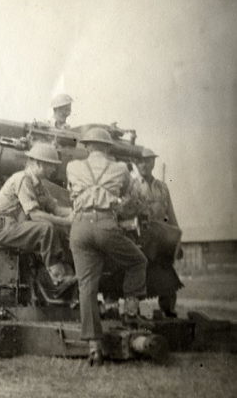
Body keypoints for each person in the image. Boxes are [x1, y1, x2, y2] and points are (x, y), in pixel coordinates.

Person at [66, 127, 147, 366]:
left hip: (79, 227)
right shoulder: (121, 169)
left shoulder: (72, 166)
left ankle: (94, 347)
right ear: (109, 148)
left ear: (88, 146)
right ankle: (130, 314)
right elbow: (134, 199)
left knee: (86, 287)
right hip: (105, 224)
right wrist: (118, 207)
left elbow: (72, 195)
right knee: (137, 261)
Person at [0, 143, 74, 284]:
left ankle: (62, 269)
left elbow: (56, 209)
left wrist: (76, 213)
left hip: (14, 226)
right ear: (39, 164)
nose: (53, 169)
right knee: (46, 228)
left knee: (56, 229)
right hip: (1, 228)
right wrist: (67, 221)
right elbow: (35, 215)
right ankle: (57, 276)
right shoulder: (22, 179)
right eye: (50, 165)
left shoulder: (39, 185)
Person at [133, 147, 183, 317]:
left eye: (147, 161)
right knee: (138, 274)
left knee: (165, 274)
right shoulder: (131, 186)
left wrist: (177, 241)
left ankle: (168, 310)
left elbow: (171, 215)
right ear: (135, 163)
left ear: (153, 162)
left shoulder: (162, 187)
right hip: (139, 237)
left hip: (161, 239)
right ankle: (134, 313)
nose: (144, 164)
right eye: (140, 161)